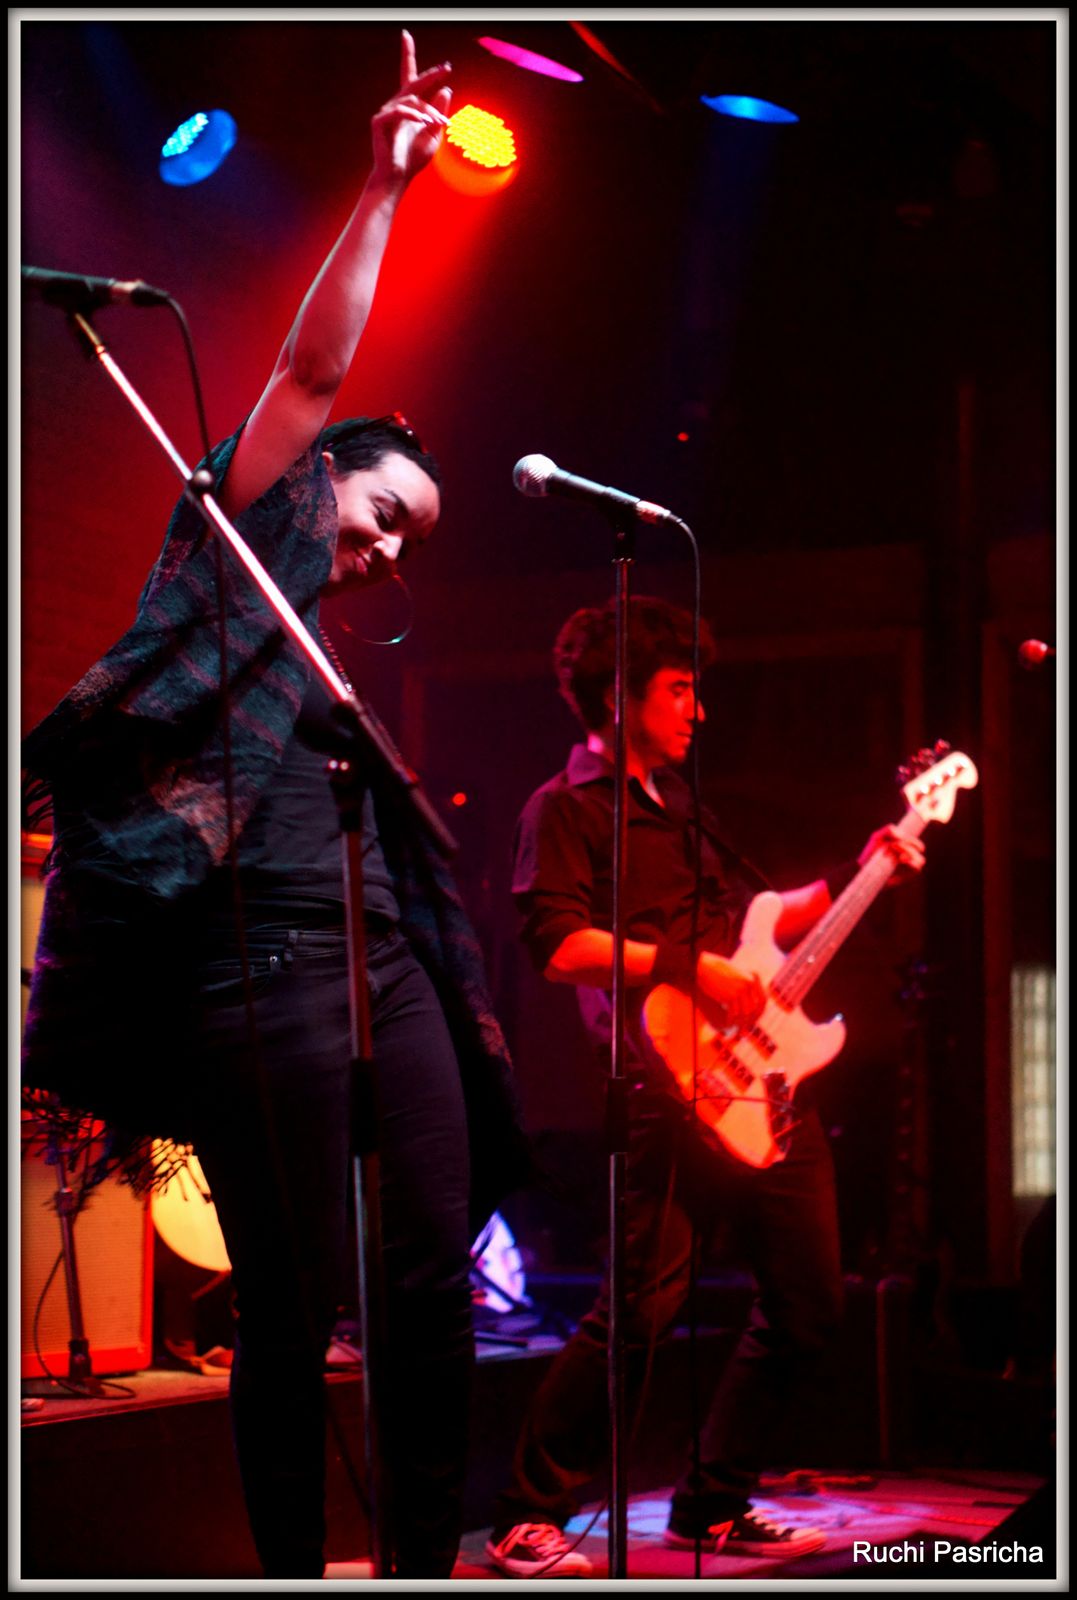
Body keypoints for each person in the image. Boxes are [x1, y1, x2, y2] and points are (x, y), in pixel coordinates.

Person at [22, 33, 527, 1580]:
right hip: (260, 971)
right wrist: (385, 190)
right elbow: (311, 373)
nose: (389, 550)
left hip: (384, 959)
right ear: (318, 482)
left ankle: (426, 1561)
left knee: (428, 1278)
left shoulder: (319, 654)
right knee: (292, 1308)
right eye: (383, 512)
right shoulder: (245, 538)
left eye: (412, 540)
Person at [485, 596, 925, 1577]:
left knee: (808, 1303)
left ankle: (713, 1501)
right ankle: (527, 1512)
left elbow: (760, 923)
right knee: (638, 1315)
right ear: (618, 695)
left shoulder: (686, 808)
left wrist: (864, 871)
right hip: (664, 1091)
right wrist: (686, 968)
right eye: (681, 690)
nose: (699, 710)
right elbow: (559, 947)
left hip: (763, 1089)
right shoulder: (563, 811)